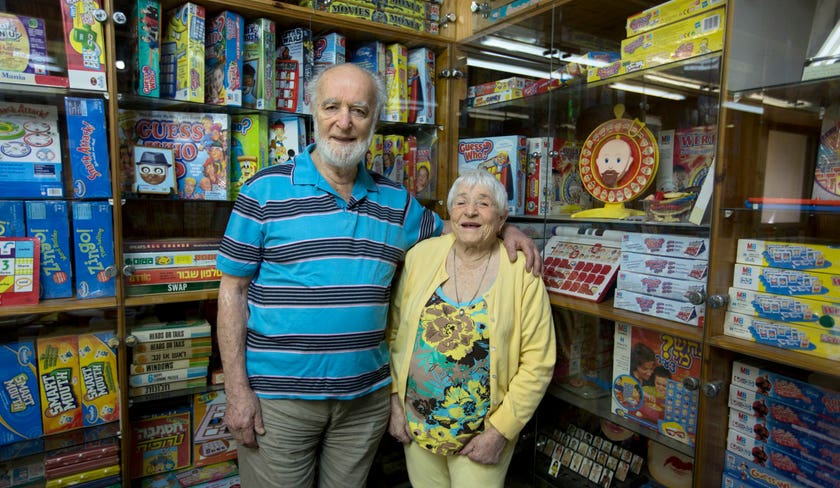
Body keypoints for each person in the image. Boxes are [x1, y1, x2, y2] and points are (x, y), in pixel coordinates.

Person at [215, 63, 541, 488]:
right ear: (312, 111)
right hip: (279, 403)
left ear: (374, 121)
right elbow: (233, 292)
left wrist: (504, 228)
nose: (344, 122)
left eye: (359, 110)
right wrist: (236, 391)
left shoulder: (396, 201)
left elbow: (459, 229)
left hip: (364, 404)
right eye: (332, 107)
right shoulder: (263, 191)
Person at [387, 169, 555, 488]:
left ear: (502, 218)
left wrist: (501, 431)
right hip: (417, 426)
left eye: (483, 203)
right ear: (450, 213)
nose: (471, 211)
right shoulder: (420, 257)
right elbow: (392, 334)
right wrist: (394, 403)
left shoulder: (521, 272)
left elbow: (539, 362)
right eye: (461, 202)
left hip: (482, 437)